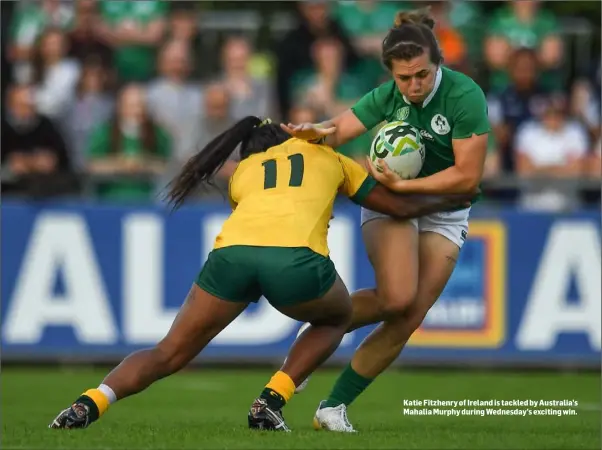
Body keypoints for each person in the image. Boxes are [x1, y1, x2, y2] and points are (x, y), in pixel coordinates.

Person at [48, 115, 472, 432]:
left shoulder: (243, 173)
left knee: (169, 352)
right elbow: (394, 207)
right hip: (294, 260)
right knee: (337, 318)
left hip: (230, 257)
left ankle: (91, 402)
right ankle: (271, 399)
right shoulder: (330, 156)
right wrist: (448, 199)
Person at [281, 8, 491, 432]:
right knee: (396, 298)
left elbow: (468, 175)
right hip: (392, 204)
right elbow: (340, 127)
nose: (413, 86)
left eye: (422, 75)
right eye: (404, 78)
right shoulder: (388, 94)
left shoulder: (465, 96)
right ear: (392, 74)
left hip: (444, 209)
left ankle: (332, 407)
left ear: (439, 64)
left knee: (410, 315)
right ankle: (308, 348)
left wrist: (406, 185)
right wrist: (313, 131)